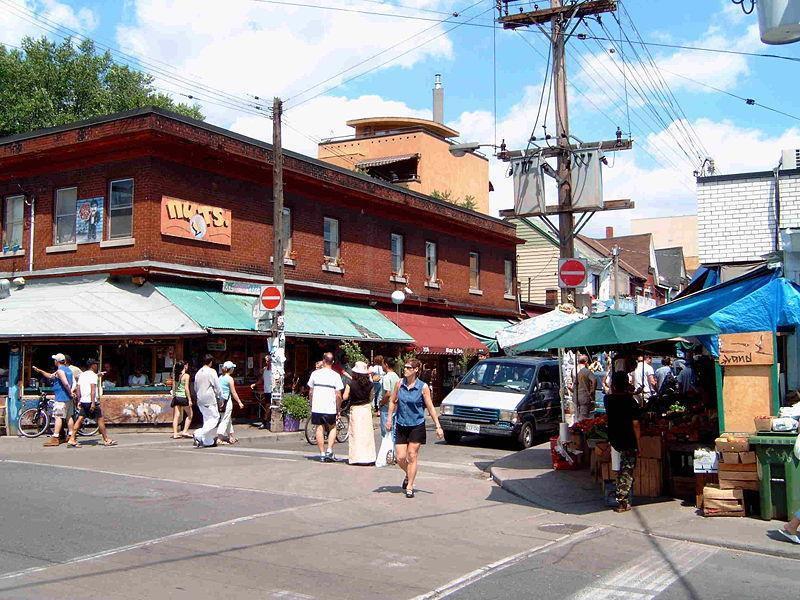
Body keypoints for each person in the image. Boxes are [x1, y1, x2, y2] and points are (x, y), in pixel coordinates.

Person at [386, 358, 444, 498]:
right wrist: (389, 418)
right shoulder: (399, 384)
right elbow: (392, 401)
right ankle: (409, 473)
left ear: (416, 370)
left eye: (408, 367)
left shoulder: (422, 387)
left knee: (412, 455)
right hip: (401, 424)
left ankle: (410, 485)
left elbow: (430, 406)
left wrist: (438, 425)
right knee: (400, 457)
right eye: (404, 367)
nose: (405, 369)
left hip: (416, 425)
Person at [605, 371, 640, 513]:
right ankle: (622, 501)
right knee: (627, 469)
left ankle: (621, 496)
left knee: (621, 468)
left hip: (614, 436)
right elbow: (636, 424)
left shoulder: (608, 400)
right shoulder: (630, 402)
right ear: (626, 384)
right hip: (628, 438)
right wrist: (638, 443)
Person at [69, 359, 116, 447]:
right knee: (100, 420)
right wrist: (93, 403)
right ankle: (106, 439)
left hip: (84, 401)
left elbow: (78, 389)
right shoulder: (93, 376)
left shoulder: (82, 375)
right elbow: (93, 390)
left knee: (80, 419)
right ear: (92, 365)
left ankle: (72, 438)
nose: (97, 366)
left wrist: (79, 400)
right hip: (91, 401)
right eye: (96, 365)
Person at [308, 352, 344, 462]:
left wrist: (311, 403)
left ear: (323, 361)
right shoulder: (336, 375)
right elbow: (338, 395)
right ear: (332, 362)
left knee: (319, 428)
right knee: (332, 427)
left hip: (317, 406)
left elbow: (310, 392)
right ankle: (329, 450)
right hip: (330, 407)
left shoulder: (315, 374)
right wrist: (338, 408)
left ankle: (322, 453)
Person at [33, 353, 75, 447]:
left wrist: (70, 392)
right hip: (68, 398)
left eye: (55, 360)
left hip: (61, 397)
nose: (54, 361)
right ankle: (71, 435)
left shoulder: (60, 371)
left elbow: (66, 383)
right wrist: (40, 371)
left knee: (58, 417)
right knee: (69, 417)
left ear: (57, 361)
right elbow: (50, 376)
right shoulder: (68, 370)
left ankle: (55, 438)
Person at [344, 361, 376, 465]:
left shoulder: (350, 383)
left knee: (356, 434)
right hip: (366, 409)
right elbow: (371, 397)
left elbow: (345, 396)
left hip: (356, 409)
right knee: (366, 434)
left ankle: (356, 458)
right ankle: (368, 457)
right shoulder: (370, 384)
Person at [193, 354, 222, 448]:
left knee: (207, 419)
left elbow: (195, 387)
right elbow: (217, 386)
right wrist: (220, 397)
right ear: (210, 362)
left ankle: (207, 441)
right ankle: (199, 433)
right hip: (209, 398)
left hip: (200, 398)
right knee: (215, 418)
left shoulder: (198, 373)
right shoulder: (211, 371)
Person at [217, 360, 245, 445]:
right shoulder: (230, 379)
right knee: (225, 419)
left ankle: (231, 437)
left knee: (227, 418)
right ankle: (219, 437)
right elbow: (233, 392)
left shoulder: (220, 377)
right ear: (230, 369)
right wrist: (239, 402)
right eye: (233, 368)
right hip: (227, 401)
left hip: (220, 400)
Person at [170, 361, 193, 439]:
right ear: (184, 367)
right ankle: (185, 431)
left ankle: (175, 433)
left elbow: (174, 386)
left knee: (176, 416)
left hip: (176, 397)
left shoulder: (175, 375)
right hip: (183, 397)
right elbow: (186, 388)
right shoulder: (186, 375)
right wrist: (189, 399)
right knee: (190, 415)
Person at [251, 355, 272, 429]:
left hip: (272, 391)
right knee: (267, 406)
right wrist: (255, 384)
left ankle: (265, 421)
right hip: (266, 391)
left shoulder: (275, 370)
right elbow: (261, 380)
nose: (267, 362)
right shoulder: (265, 370)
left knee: (268, 406)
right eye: (265, 361)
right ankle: (266, 421)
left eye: (268, 360)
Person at [380, 359, 400, 437]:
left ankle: (387, 448)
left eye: (382, 364)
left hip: (387, 407)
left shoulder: (386, 377)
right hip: (396, 406)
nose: (382, 366)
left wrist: (382, 403)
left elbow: (388, 393)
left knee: (386, 433)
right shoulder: (396, 376)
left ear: (386, 365)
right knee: (394, 432)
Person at [575, 355, 597, 422]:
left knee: (579, 415)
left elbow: (574, 384)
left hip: (577, 396)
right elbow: (594, 380)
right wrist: (592, 391)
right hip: (584, 397)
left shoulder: (576, 371)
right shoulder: (586, 371)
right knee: (584, 418)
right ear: (586, 362)